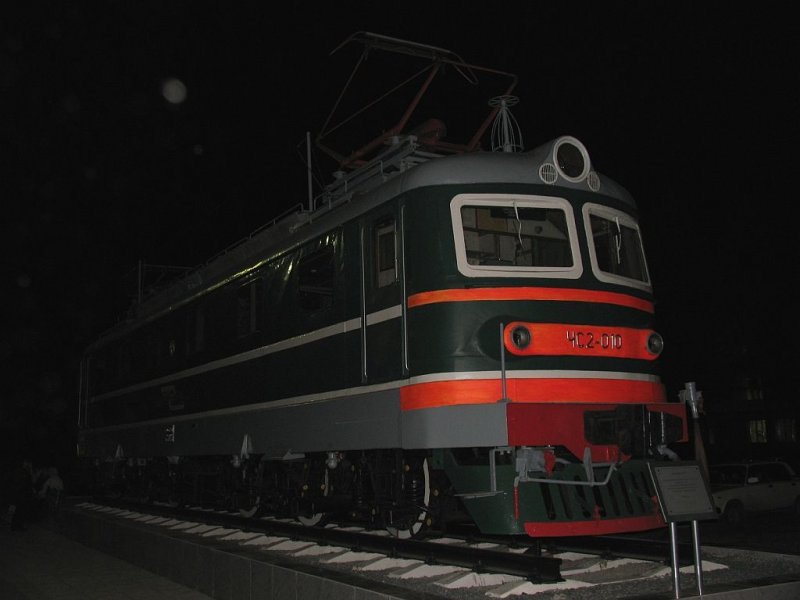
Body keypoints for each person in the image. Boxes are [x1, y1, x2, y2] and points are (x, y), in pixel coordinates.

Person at [9, 458, 35, 531]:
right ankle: (18, 526)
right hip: (22, 494)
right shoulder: (22, 471)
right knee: (20, 511)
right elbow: (26, 483)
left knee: (18, 511)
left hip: (20, 494)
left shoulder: (20, 471)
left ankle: (15, 526)